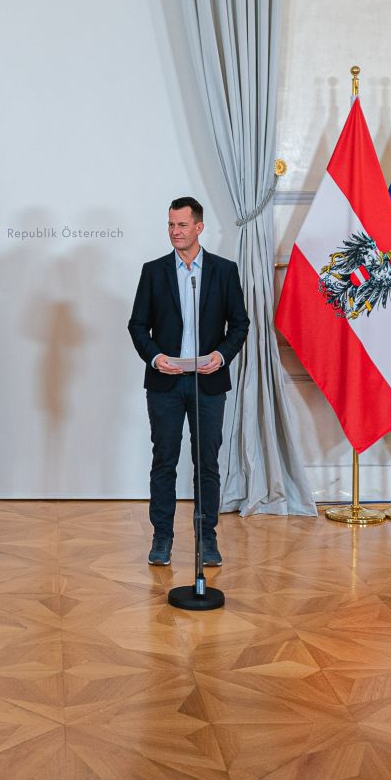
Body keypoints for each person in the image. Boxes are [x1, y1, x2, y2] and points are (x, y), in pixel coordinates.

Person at [126, 196, 249, 568]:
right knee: (164, 461)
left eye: (181, 225)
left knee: (206, 464)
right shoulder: (153, 271)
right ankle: (161, 537)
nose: (175, 232)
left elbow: (239, 324)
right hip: (165, 382)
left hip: (208, 383)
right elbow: (137, 325)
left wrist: (221, 356)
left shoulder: (223, 271)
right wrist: (155, 357)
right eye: (170, 225)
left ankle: (206, 538)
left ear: (199, 227)